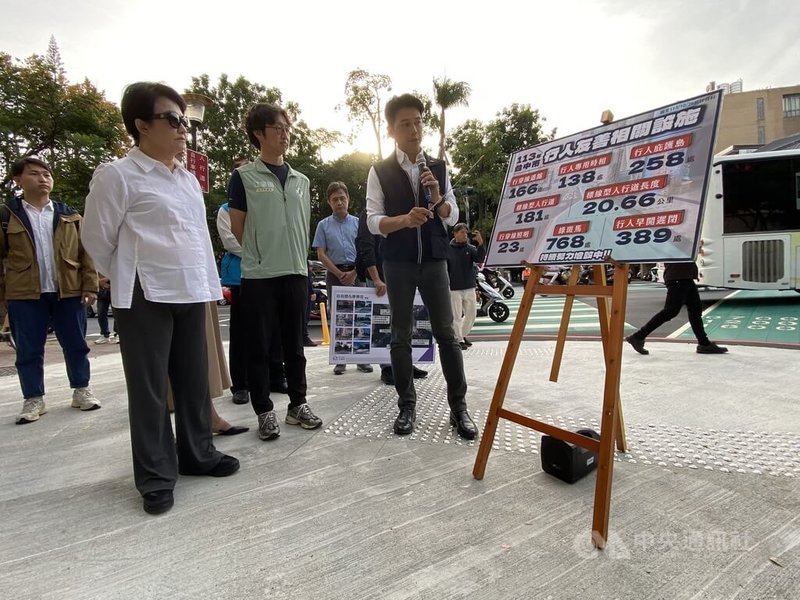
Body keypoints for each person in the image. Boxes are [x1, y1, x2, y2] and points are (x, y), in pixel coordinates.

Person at [81, 82, 239, 515]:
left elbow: (196, 239)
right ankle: (155, 476)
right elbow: (96, 239)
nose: (183, 128)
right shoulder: (117, 175)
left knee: (193, 382)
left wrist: (209, 286)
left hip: (189, 289)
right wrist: (124, 275)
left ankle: (198, 454)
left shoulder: (186, 178)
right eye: (172, 119)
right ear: (141, 125)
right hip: (144, 294)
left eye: (184, 120)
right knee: (150, 391)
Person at [366, 93, 477, 440]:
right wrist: (403, 220)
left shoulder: (438, 168)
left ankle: (459, 408)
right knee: (400, 336)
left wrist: (436, 198)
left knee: (448, 334)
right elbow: (372, 220)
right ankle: (406, 405)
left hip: (434, 261)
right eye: (405, 124)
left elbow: (453, 216)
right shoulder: (379, 170)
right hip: (397, 263)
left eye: (418, 122)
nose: (414, 129)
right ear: (391, 130)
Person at [227, 102, 322, 441]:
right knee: (260, 347)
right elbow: (238, 228)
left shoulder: (301, 180)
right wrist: (262, 254)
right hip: (259, 276)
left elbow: (301, 226)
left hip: (296, 271)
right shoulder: (243, 177)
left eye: (286, 127)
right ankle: (264, 411)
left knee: (294, 346)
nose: (285, 133)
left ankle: (298, 404)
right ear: (259, 133)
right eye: (277, 128)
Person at [1, 156, 101, 425]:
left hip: (67, 290)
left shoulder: (69, 214)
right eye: (34, 174)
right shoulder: (7, 216)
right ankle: (33, 398)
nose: (43, 178)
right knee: (29, 349)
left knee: (76, 344)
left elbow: (85, 253)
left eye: (46, 174)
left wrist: (89, 285)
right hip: (24, 293)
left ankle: (81, 389)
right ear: (18, 180)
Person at [356, 207, 428, 386]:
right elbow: (366, 245)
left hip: (402, 271)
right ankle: (387, 367)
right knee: (384, 323)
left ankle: (405, 364)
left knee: (405, 320)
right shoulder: (369, 213)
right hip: (380, 276)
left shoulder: (400, 208)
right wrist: (376, 279)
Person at [313, 181, 373, 376]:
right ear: (329, 202)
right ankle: (341, 359)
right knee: (340, 316)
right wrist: (339, 274)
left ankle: (362, 359)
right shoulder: (323, 225)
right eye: (335, 199)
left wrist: (355, 272)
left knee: (361, 316)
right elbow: (321, 254)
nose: (339, 202)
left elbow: (365, 249)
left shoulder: (359, 223)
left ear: (348, 199)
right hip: (334, 273)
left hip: (357, 272)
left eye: (342, 198)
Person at [625, 261, 728, 355]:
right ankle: (638, 336)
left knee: (695, 310)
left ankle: (704, 344)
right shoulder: (676, 242)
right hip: (678, 278)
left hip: (684, 278)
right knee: (671, 311)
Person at [447, 224, 485, 350]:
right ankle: (459, 339)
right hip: (454, 288)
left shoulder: (471, 248)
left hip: (469, 286)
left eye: (466, 233)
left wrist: (480, 244)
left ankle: (461, 335)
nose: (464, 235)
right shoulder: (448, 249)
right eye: (462, 232)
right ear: (455, 233)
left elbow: (480, 258)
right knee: (456, 315)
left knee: (471, 314)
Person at [93, 275, 118, 344]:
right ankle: (105, 335)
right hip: (102, 291)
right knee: (101, 313)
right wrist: (100, 282)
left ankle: (118, 334)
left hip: (115, 288)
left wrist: (107, 279)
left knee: (117, 313)